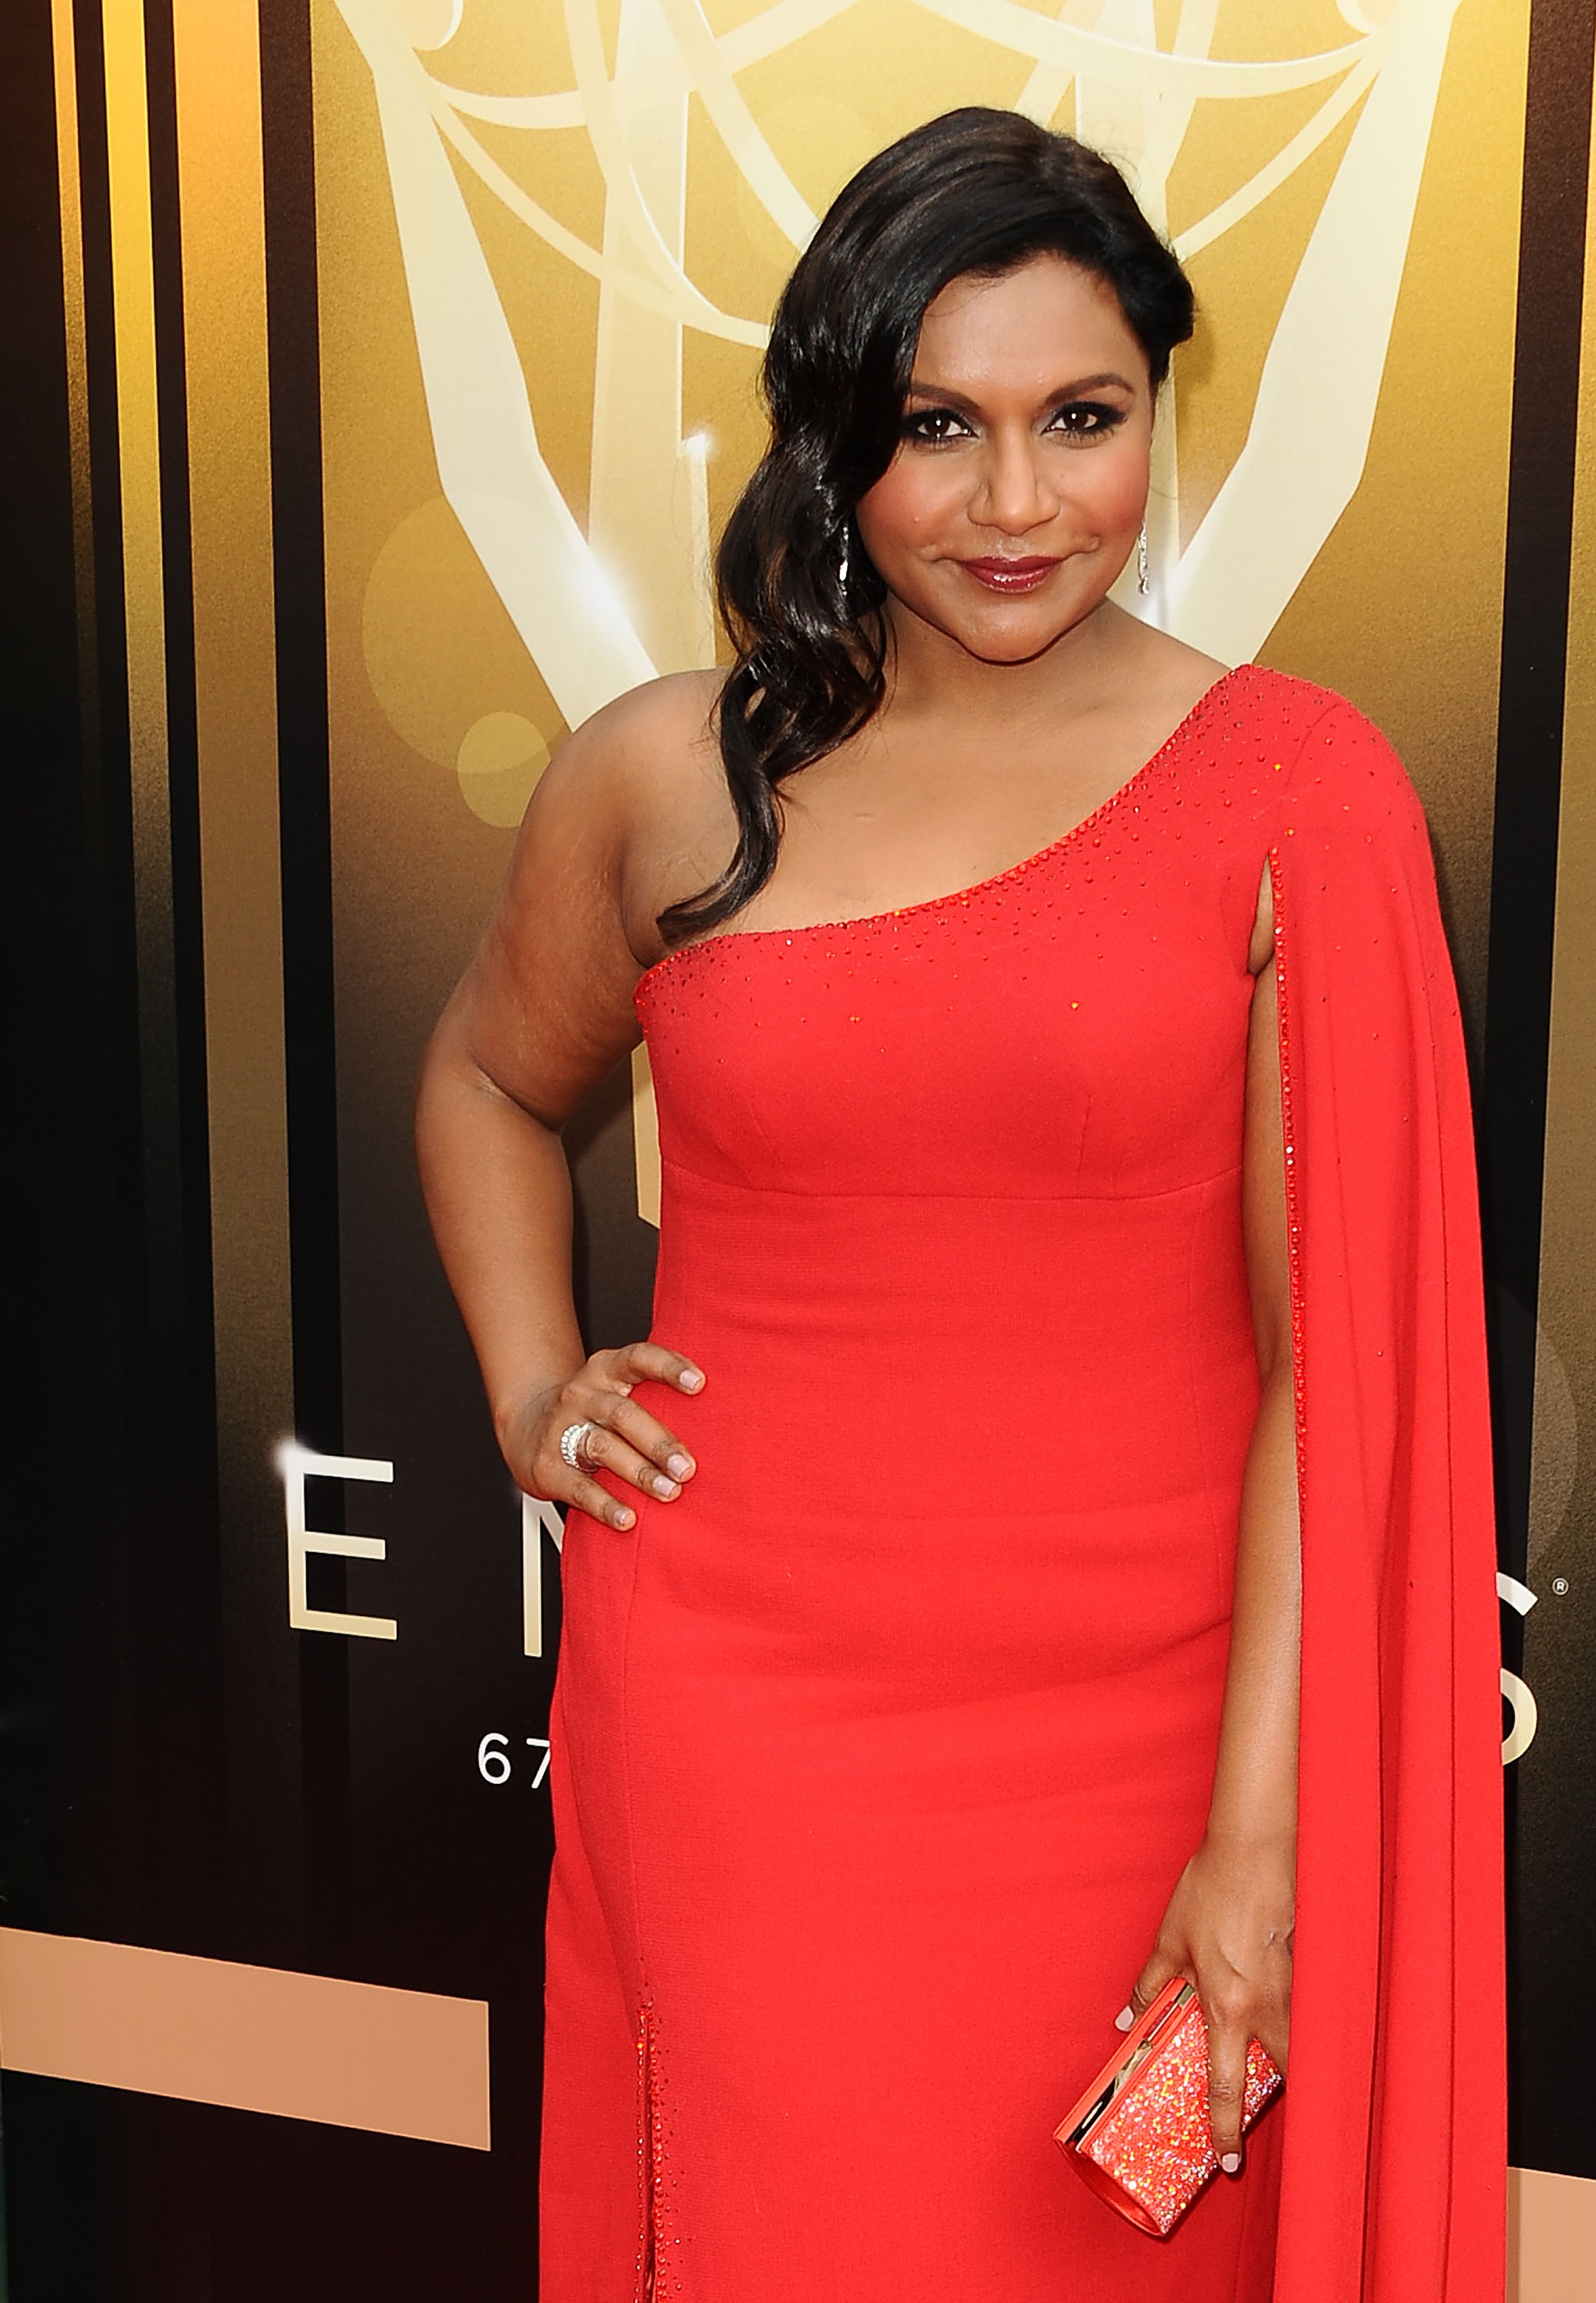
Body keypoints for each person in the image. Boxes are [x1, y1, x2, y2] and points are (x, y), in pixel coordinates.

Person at [417, 107, 1504, 2303]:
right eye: (940, 427)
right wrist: (534, 1389)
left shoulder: (1296, 790)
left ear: (1155, 420)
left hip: (1147, 1747)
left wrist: (1259, 1842)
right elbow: (487, 1079)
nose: (1018, 504)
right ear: (838, 437)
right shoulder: (666, 776)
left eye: (1080, 419)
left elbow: (1332, 1381)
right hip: (733, 1730)